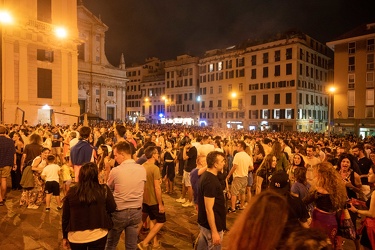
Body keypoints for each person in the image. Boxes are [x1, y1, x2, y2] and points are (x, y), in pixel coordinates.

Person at [62, 162, 116, 250]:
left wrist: (64, 236)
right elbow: (112, 208)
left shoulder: (72, 192)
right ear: (96, 175)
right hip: (98, 233)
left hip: (76, 237)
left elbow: (65, 217)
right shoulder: (104, 189)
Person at [105, 141, 146, 250]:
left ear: (122, 155)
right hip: (136, 211)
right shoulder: (142, 169)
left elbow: (108, 189)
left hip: (119, 211)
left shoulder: (116, 171)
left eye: (116, 155)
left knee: (111, 244)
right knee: (131, 245)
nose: (115, 158)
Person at [304, 162, 347, 249]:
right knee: (328, 245)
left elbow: (304, 202)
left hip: (320, 221)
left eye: (315, 174)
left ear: (321, 175)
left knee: (317, 245)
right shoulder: (337, 187)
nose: (314, 177)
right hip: (333, 221)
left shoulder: (320, 190)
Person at [197, 151, 227, 250]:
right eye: (222, 161)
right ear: (215, 164)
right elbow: (209, 209)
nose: (224, 163)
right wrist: (214, 232)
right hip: (212, 225)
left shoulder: (207, 176)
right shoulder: (211, 181)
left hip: (205, 223)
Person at [138, 146, 166, 250]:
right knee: (161, 221)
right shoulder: (155, 168)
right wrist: (160, 204)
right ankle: (144, 243)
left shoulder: (142, 166)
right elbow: (157, 188)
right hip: (153, 200)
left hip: (144, 199)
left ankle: (155, 243)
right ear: (153, 155)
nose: (158, 155)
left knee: (151, 219)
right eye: (157, 153)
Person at [349, 165, 375, 250]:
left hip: (372, 227)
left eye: (370, 173)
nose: (368, 175)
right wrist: (359, 202)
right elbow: (371, 204)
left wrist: (356, 210)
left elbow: (372, 213)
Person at [226, 141, 252, 212]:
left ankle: (233, 208)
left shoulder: (237, 155)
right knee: (242, 192)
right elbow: (252, 167)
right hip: (245, 177)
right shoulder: (247, 156)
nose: (236, 147)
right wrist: (245, 169)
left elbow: (234, 166)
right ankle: (241, 206)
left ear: (241, 147)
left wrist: (229, 175)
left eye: (238, 146)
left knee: (234, 193)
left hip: (238, 177)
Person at [0, 125, 16, 205]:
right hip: (7, 163)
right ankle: (2, 197)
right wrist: (14, 163)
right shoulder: (10, 141)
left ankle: (0, 198)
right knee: (4, 180)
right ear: (5, 132)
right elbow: (14, 153)